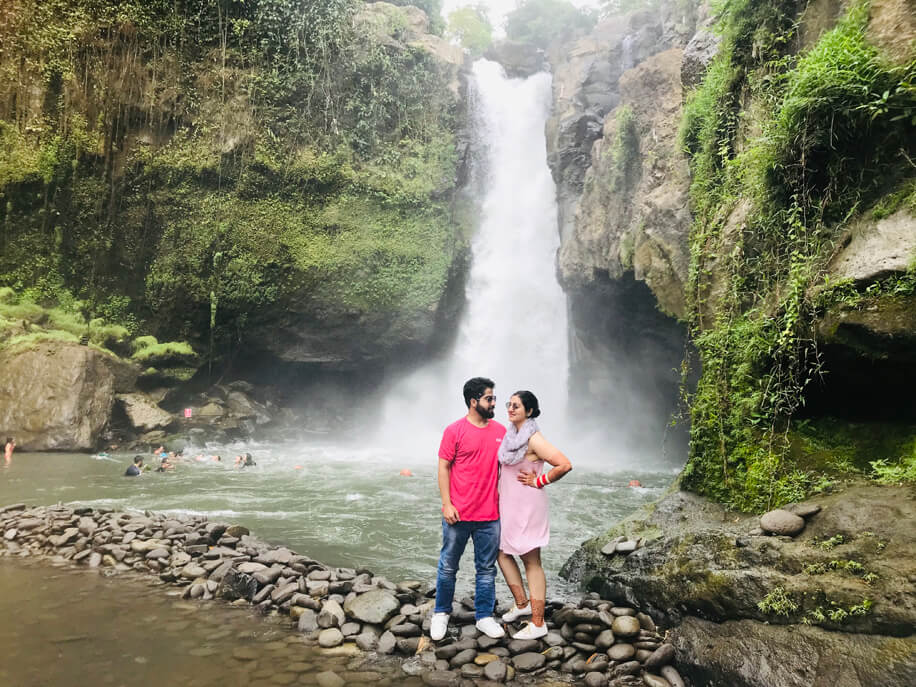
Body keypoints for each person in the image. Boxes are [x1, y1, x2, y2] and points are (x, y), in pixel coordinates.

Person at [431, 377, 507, 641]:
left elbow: (512, 465)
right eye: (489, 398)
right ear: (474, 401)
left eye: (494, 398)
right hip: (458, 513)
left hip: (490, 515)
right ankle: (441, 612)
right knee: (448, 566)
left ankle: (484, 616)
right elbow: (443, 467)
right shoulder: (454, 431)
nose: (494, 403)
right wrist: (447, 504)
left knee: (486, 569)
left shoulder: (501, 431)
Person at [497, 390, 572, 639]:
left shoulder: (534, 439)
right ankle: (522, 604)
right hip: (510, 504)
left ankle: (538, 623)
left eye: (516, 406)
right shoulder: (511, 437)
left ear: (529, 411)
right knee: (502, 552)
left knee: (531, 561)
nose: (510, 409)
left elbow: (564, 464)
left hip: (528, 505)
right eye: (509, 404)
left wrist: (539, 480)